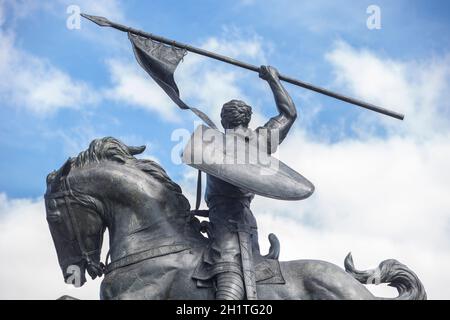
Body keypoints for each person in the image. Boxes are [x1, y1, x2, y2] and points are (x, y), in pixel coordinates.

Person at [205, 65, 298, 300]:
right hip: (231, 222)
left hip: (232, 226)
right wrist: (273, 80)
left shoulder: (212, 146)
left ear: (223, 120)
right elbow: (289, 114)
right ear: (248, 118)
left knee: (228, 282)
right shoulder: (261, 139)